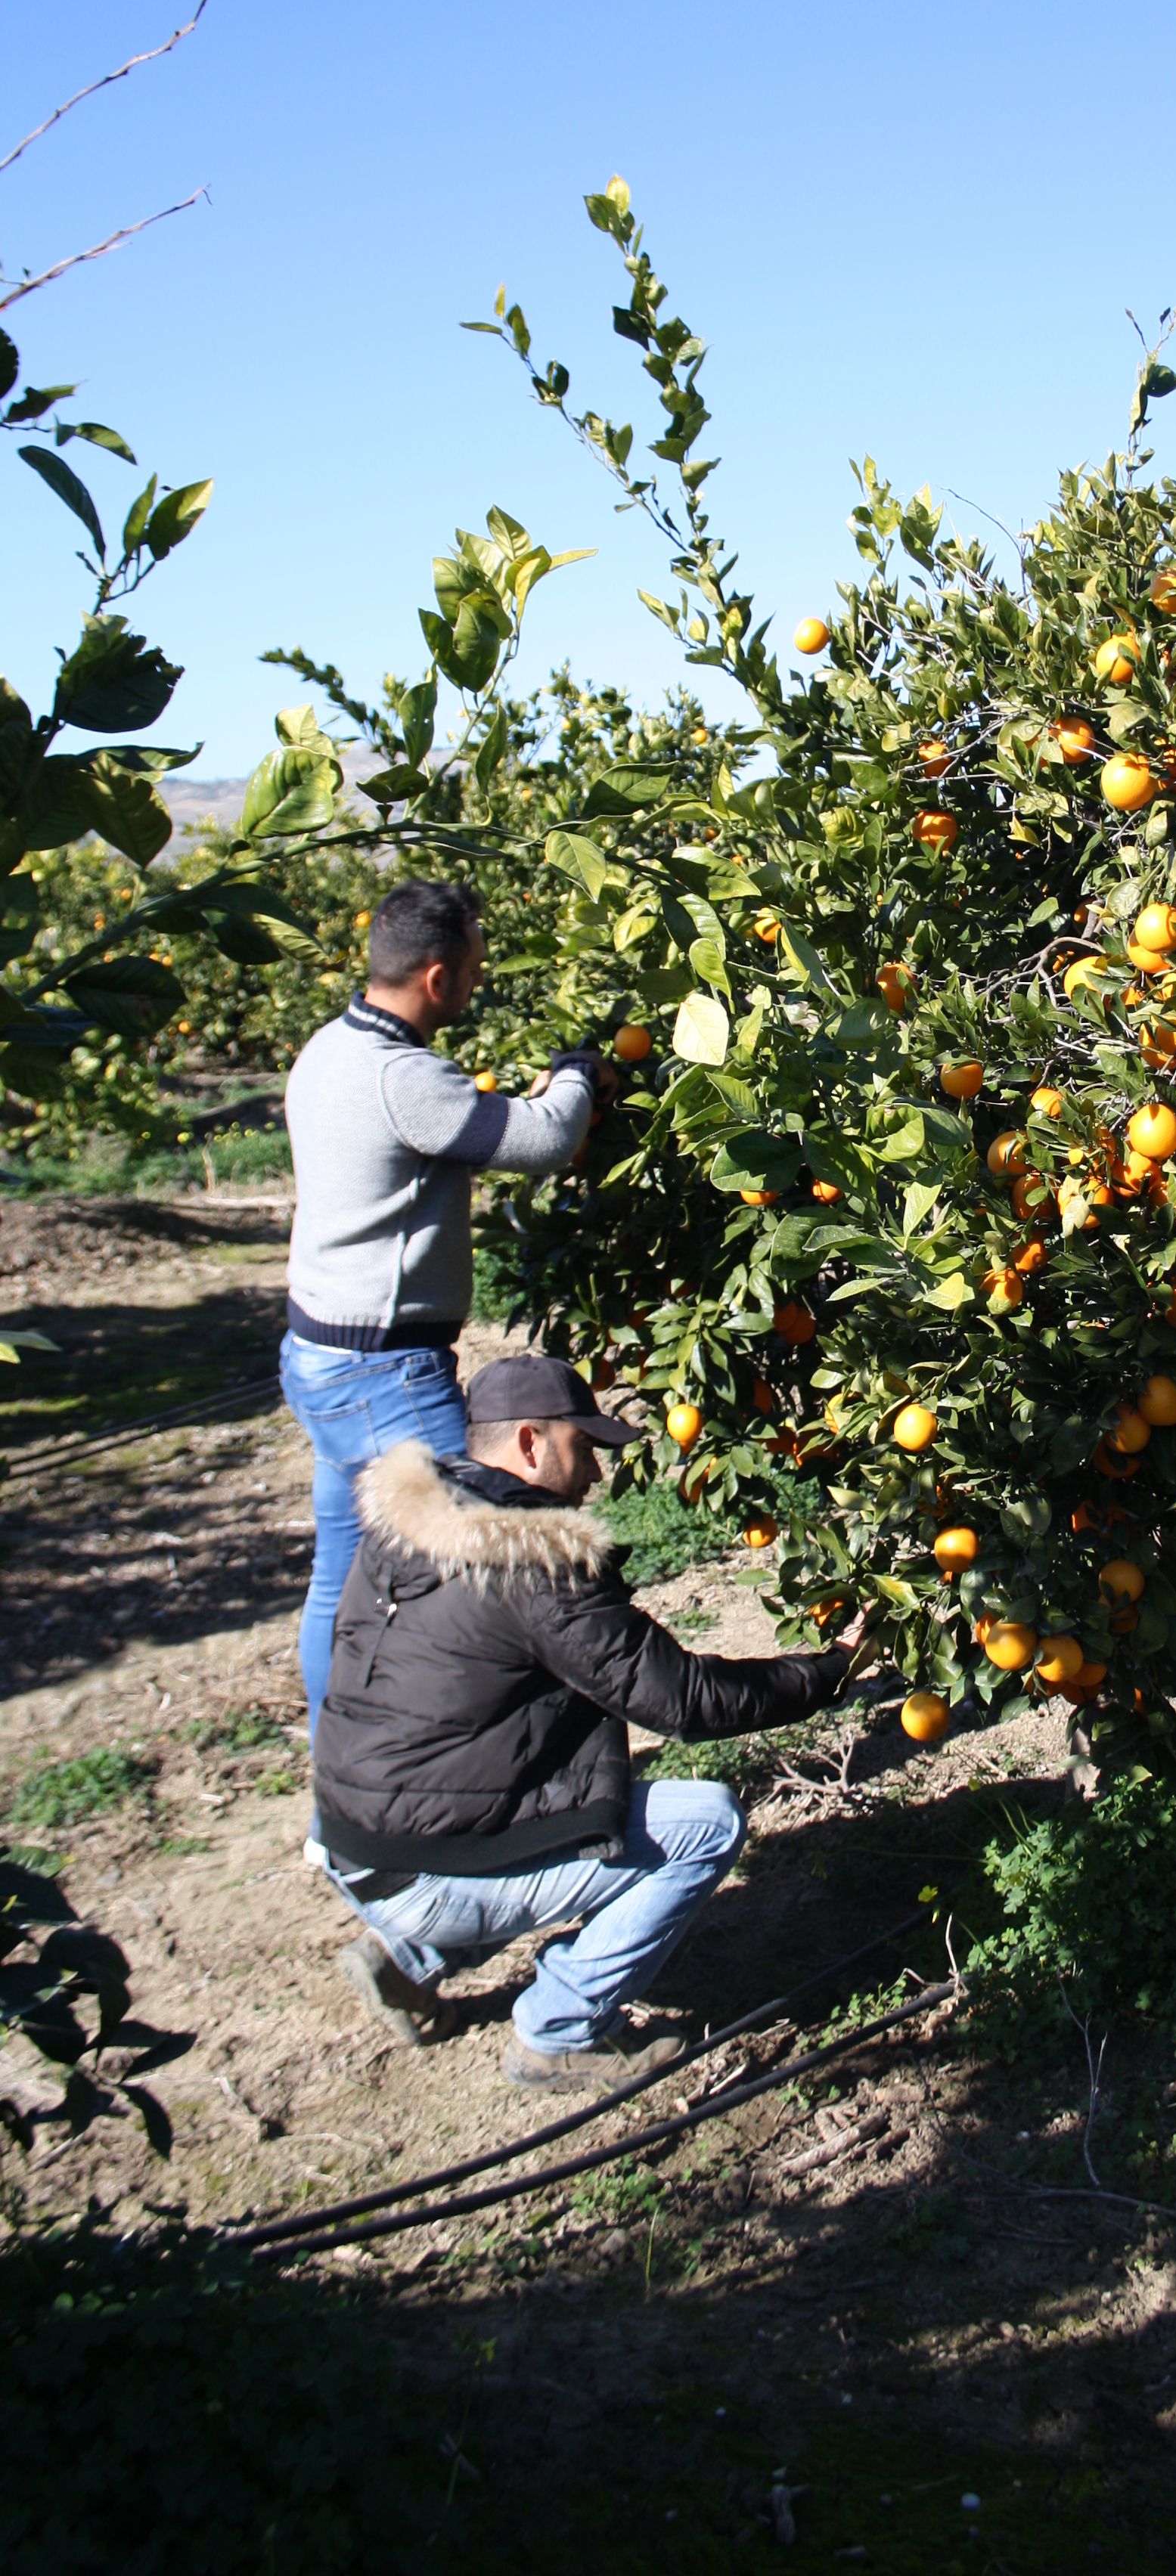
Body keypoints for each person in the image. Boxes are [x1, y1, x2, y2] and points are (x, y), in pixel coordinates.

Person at [311, 1354, 858, 2093]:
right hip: (419, 1863)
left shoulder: (414, 1520)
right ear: (531, 1442)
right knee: (705, 1822)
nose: (596, 1477)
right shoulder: (530, 1560)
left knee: (560, 1795)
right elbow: (683, 1700)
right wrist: (830, 1671)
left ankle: (406, 1958)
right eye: (583, 1448)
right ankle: (558, 2030)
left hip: (355, 1840)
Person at [281, 879, 611, 1728]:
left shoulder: (326, 1049)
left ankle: (343, 1756)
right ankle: (450, 1762)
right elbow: (544, 1141)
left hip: (320, 1354)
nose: (477, 982)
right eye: (471, 969)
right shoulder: (402, 1076)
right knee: (476, 1557)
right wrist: (576, 1074)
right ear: (436, 978)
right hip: (383, 1372)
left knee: (345, 1569)